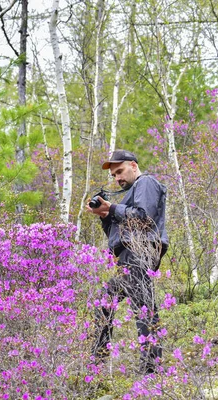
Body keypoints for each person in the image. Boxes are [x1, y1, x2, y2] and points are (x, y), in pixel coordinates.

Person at [86, 149, 169, 374]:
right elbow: (116, 236)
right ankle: (97, 362)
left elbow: (144, 218)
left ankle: (151, 370)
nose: (117, 178)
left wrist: (112, 208)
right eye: (113, 175)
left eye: (120, 171)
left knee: (143, 307)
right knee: (105, 300)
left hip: (140, 252)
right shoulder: (130, 195)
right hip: (128, 255)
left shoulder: (146, 183)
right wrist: (105, 215)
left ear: (133, 165)